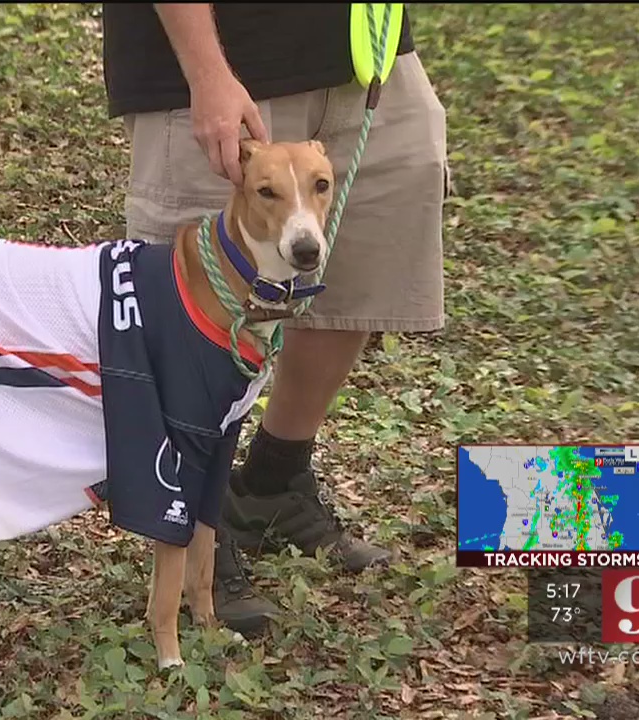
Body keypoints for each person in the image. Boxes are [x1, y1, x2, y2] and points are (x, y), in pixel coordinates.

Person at [101, 3, 449, 635]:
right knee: (190, 309)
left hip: (367, 55)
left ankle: (272, 482)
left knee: (359, 271)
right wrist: (206, 72)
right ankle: (193, 529)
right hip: (226, 58)